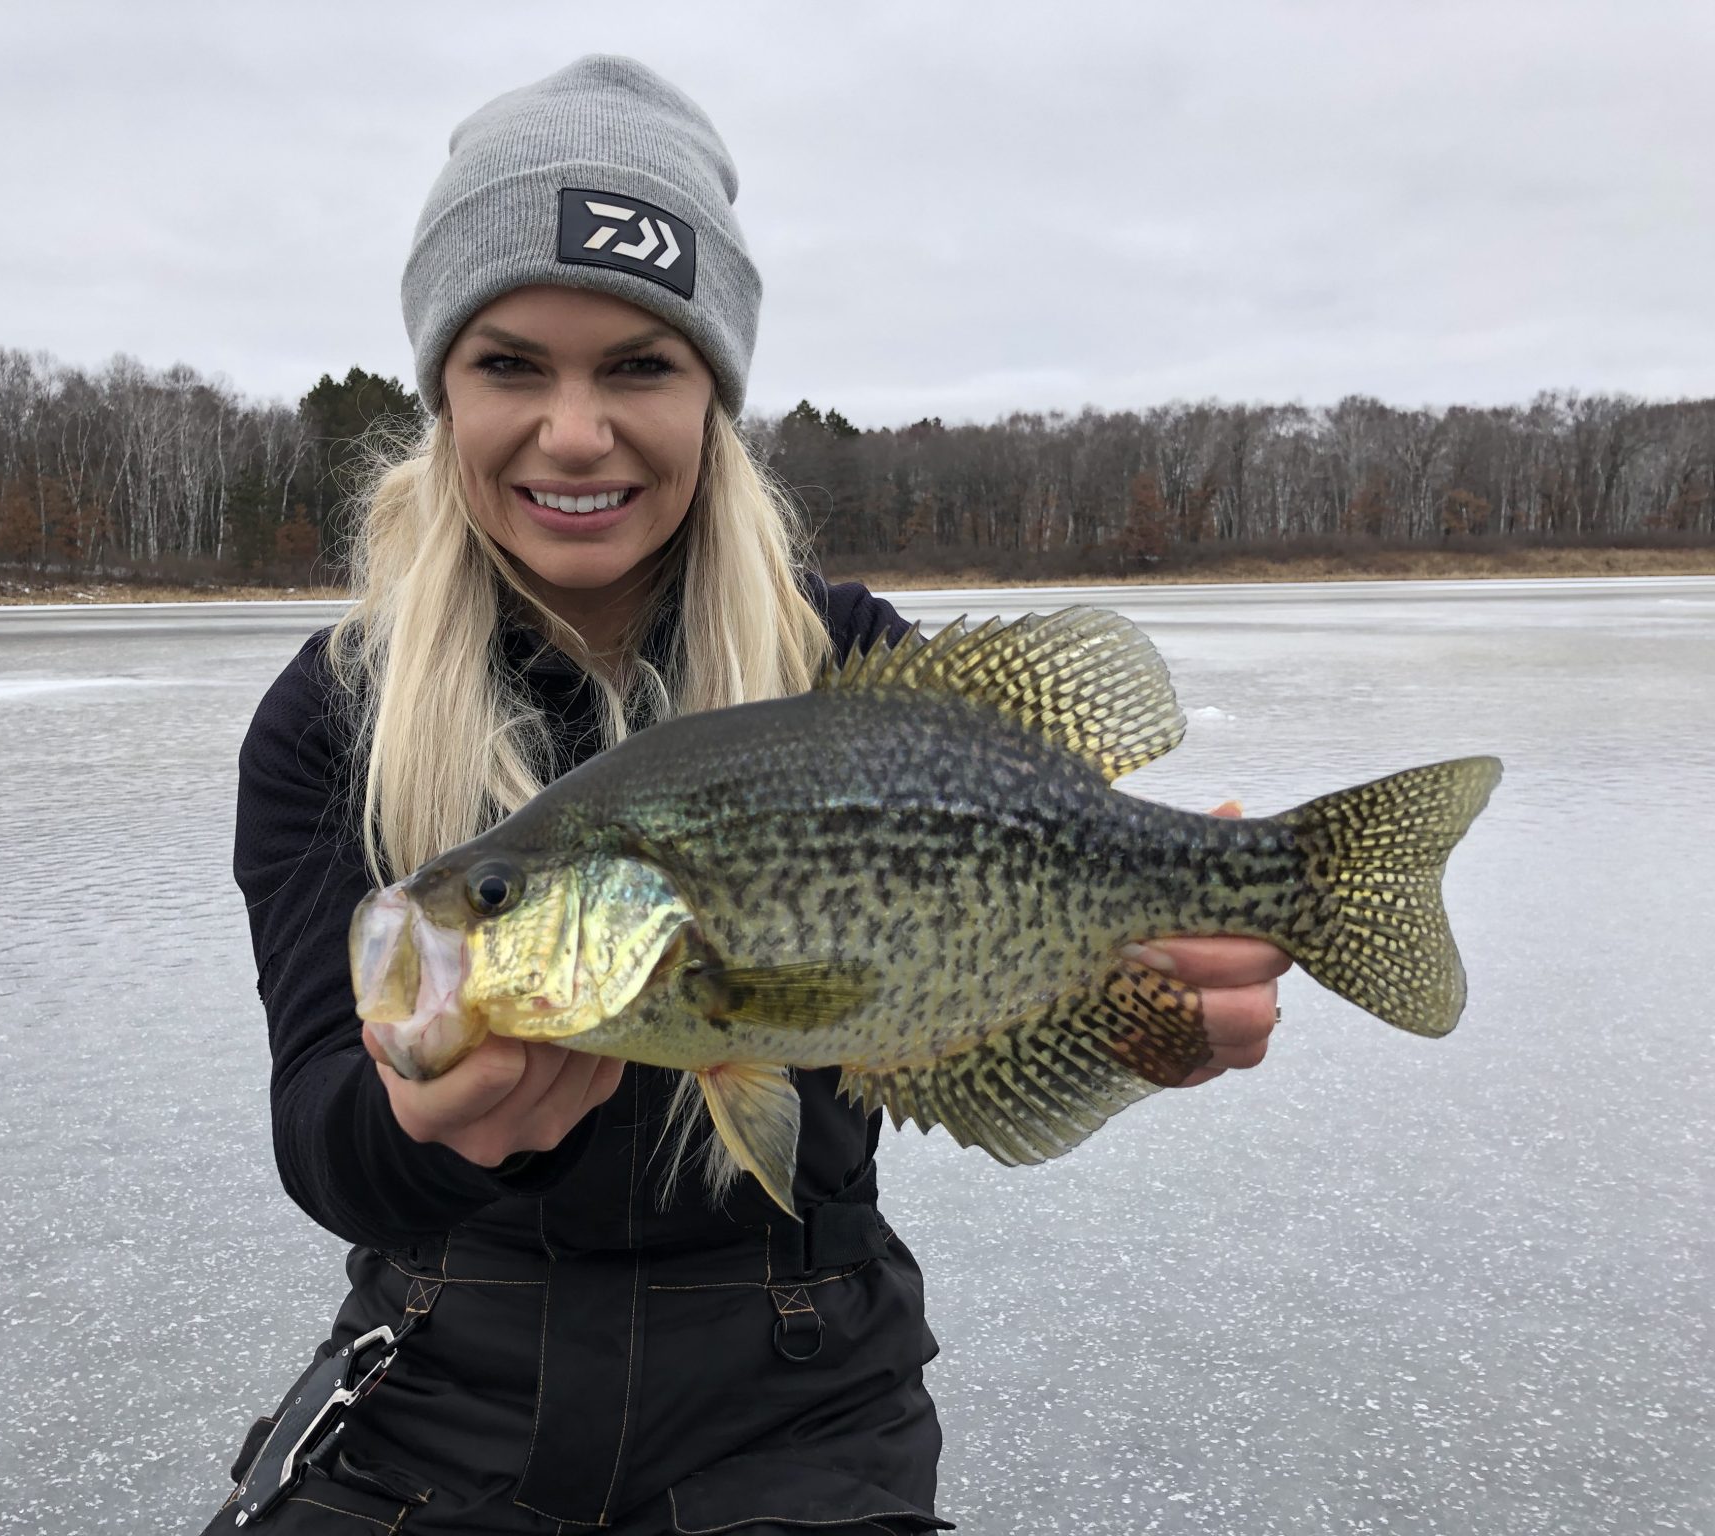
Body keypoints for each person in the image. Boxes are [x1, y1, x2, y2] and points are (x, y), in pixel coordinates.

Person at [205, 55, 1288, 1535]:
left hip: (804, 1407)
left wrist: (1138, 1020)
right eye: (510, 363)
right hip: (443, 1396)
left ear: (714, 391)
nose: (573, 432)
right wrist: (421, 1134)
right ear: (441, 389)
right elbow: (322, 1123)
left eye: (640, 366)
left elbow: (994, 1008)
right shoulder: (338, 716)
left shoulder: (849, 667)